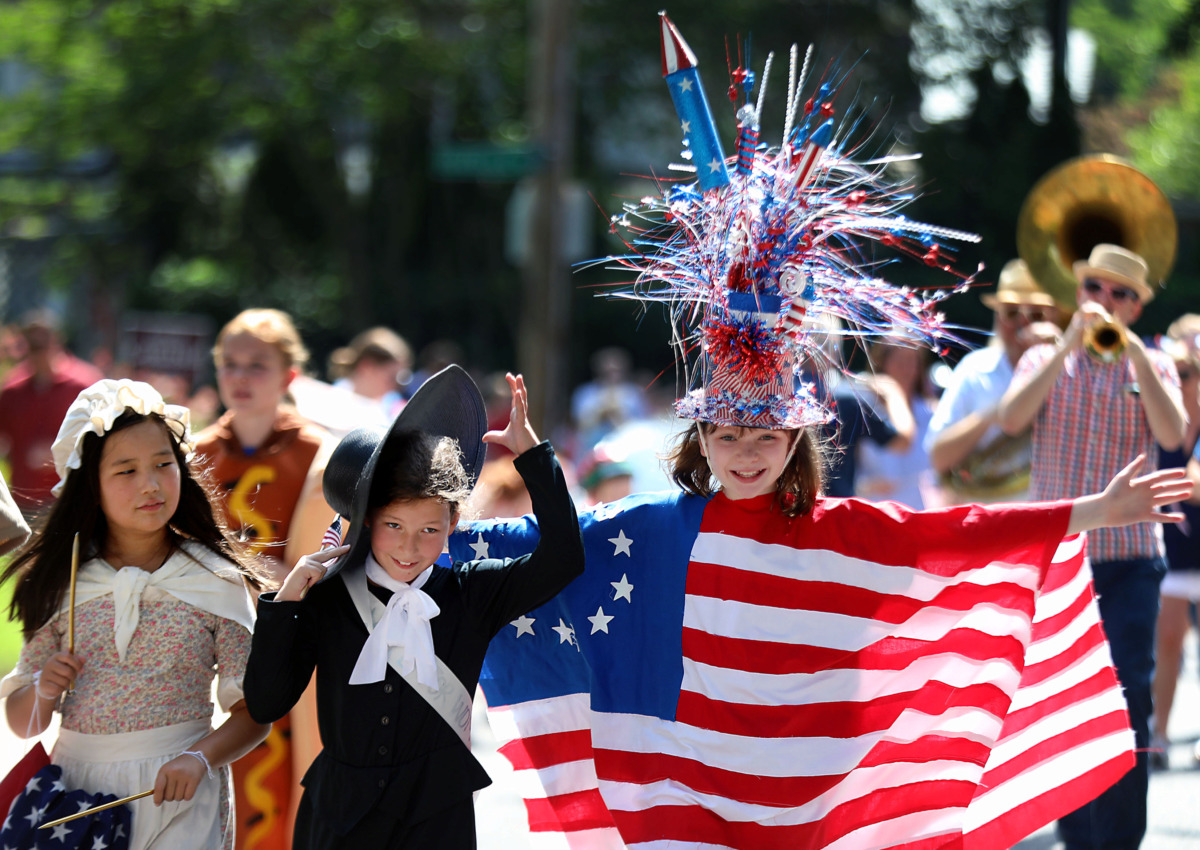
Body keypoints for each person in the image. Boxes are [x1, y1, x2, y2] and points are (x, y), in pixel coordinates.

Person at [241, 366, 584, 849]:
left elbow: (564, 558)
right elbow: (265, 703)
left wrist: (532, 455)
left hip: (435, 824)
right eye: (393, 525)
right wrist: (286, 602)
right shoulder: (328, 598)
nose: (409, 546)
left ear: (454, 520)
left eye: (429, 528)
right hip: (338, 822)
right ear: (366, 521)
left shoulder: (472, 592)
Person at [0, 379, 270, 849]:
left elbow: (255, 713)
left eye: (163, 464)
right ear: (91, 486)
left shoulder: (215, 579)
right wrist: (44, 689)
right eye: (125, 471)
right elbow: (22, 722)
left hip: (179, 794)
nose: (150, 484)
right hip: (77, 801)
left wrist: (201, 759)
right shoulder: (66, 581)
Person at [997, 243, 1186, 849]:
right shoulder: (1045, 358)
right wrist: (1066, 346)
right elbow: (1010, 419)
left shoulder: (1152, 362)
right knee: (1059, 701)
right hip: (1057, 560)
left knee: (1127, 698)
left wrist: (1131, 349)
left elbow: (1173, 434)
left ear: (1135, 308)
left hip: (1130, 557)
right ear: (1079, 294)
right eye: (1096, 289)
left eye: (1121, 294)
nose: (1106, 301)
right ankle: (1077, 836)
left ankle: (1120, 842)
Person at [194, 308, 337, 850]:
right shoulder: (192, 455)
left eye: (257, 364)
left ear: (289, 376)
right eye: (230, 363)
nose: (241, 376)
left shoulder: (320, 454)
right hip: (214, 644)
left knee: (296, 779)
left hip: (298, 641)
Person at [925, 259, 1061, 504]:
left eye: (1036, 314)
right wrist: (995, 414)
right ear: (998, 318)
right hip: (986, 522)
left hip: (1046, 518)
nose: (1024, 322)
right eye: (1012, 312)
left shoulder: (1068, 369)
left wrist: (1060, 351)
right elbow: (938, 456)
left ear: (1052, 318)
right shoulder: (975, 369)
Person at [1149, 313, 1200, 769]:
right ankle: (1159, 734)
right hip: (1170, 546)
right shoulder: (1158, 414)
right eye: (1174, 372)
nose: (1179, 380)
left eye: (1186, 373)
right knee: (1167, 640)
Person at [0, 309, 104, 515]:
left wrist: (57, 453)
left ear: (57, 340)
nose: (38, 352)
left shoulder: (84, 384)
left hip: (71, 499)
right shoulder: (13, 389)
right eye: (32, 345)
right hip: (24, 500)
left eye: (43, 344)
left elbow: (102, 438)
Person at [855, 339, 940, 508]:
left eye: (911, 361)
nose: (906, 369)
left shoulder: (932, 414)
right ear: (882, 364)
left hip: (920, 515)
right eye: (898, 361)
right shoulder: (863, 412)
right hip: (874, 515)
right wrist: (863, 486)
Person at [328, 327, 413, 420]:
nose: (397, 386)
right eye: (392, 377)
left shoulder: (392, 407)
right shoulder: (331, 403)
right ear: (367, 367)